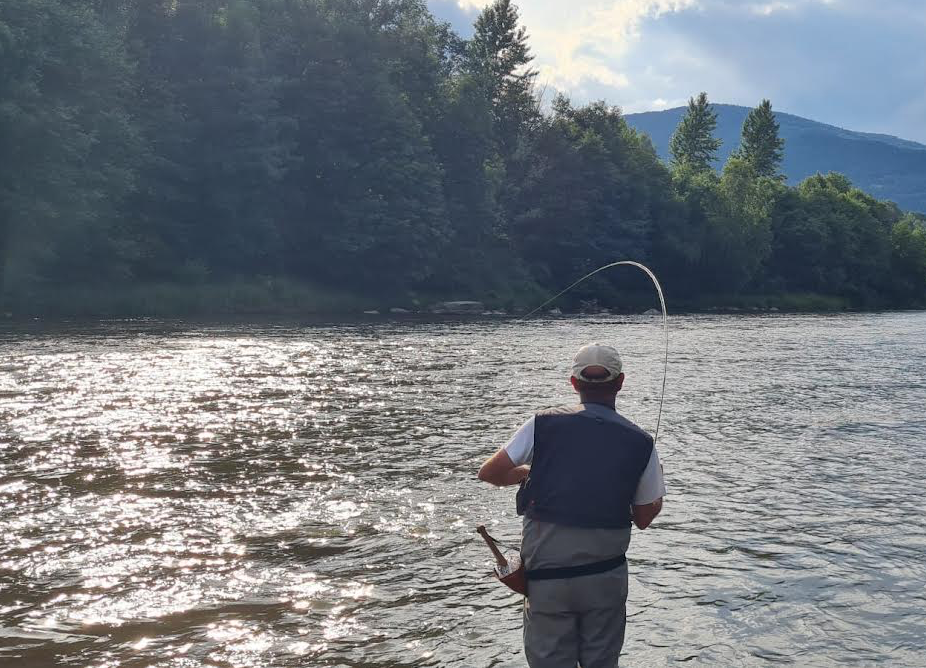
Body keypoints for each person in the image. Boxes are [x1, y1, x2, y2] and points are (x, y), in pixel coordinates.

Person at [477, 342, 665, 667]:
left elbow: (490, 473)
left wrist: (528, 473)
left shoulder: (542, 424)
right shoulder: (642, 442)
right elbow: (645, 517)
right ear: (620, 382)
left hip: (547, 582)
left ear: (574, 383)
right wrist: (655, 483)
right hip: (605, 579)